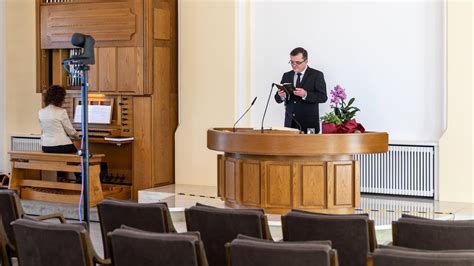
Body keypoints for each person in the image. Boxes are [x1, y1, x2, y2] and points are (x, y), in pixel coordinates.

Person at [274, 47, 328, 133]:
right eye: (292, 62)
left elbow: (323, 97)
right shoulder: (287, 75)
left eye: (298, 62)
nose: (294, 65)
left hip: (309, 124)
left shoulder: (316, 75)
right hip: (290, 124)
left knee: (310, 146)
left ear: (306, 61)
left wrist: (305, 94)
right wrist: (281, 96)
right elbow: (277, 99)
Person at [39, 85, 80, 153]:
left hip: (46, 146)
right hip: (61, 145)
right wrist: (79, 135)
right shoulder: (61, 112)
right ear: (60, 98)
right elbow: (71, 132)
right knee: (80, 152)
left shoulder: (41, 112)